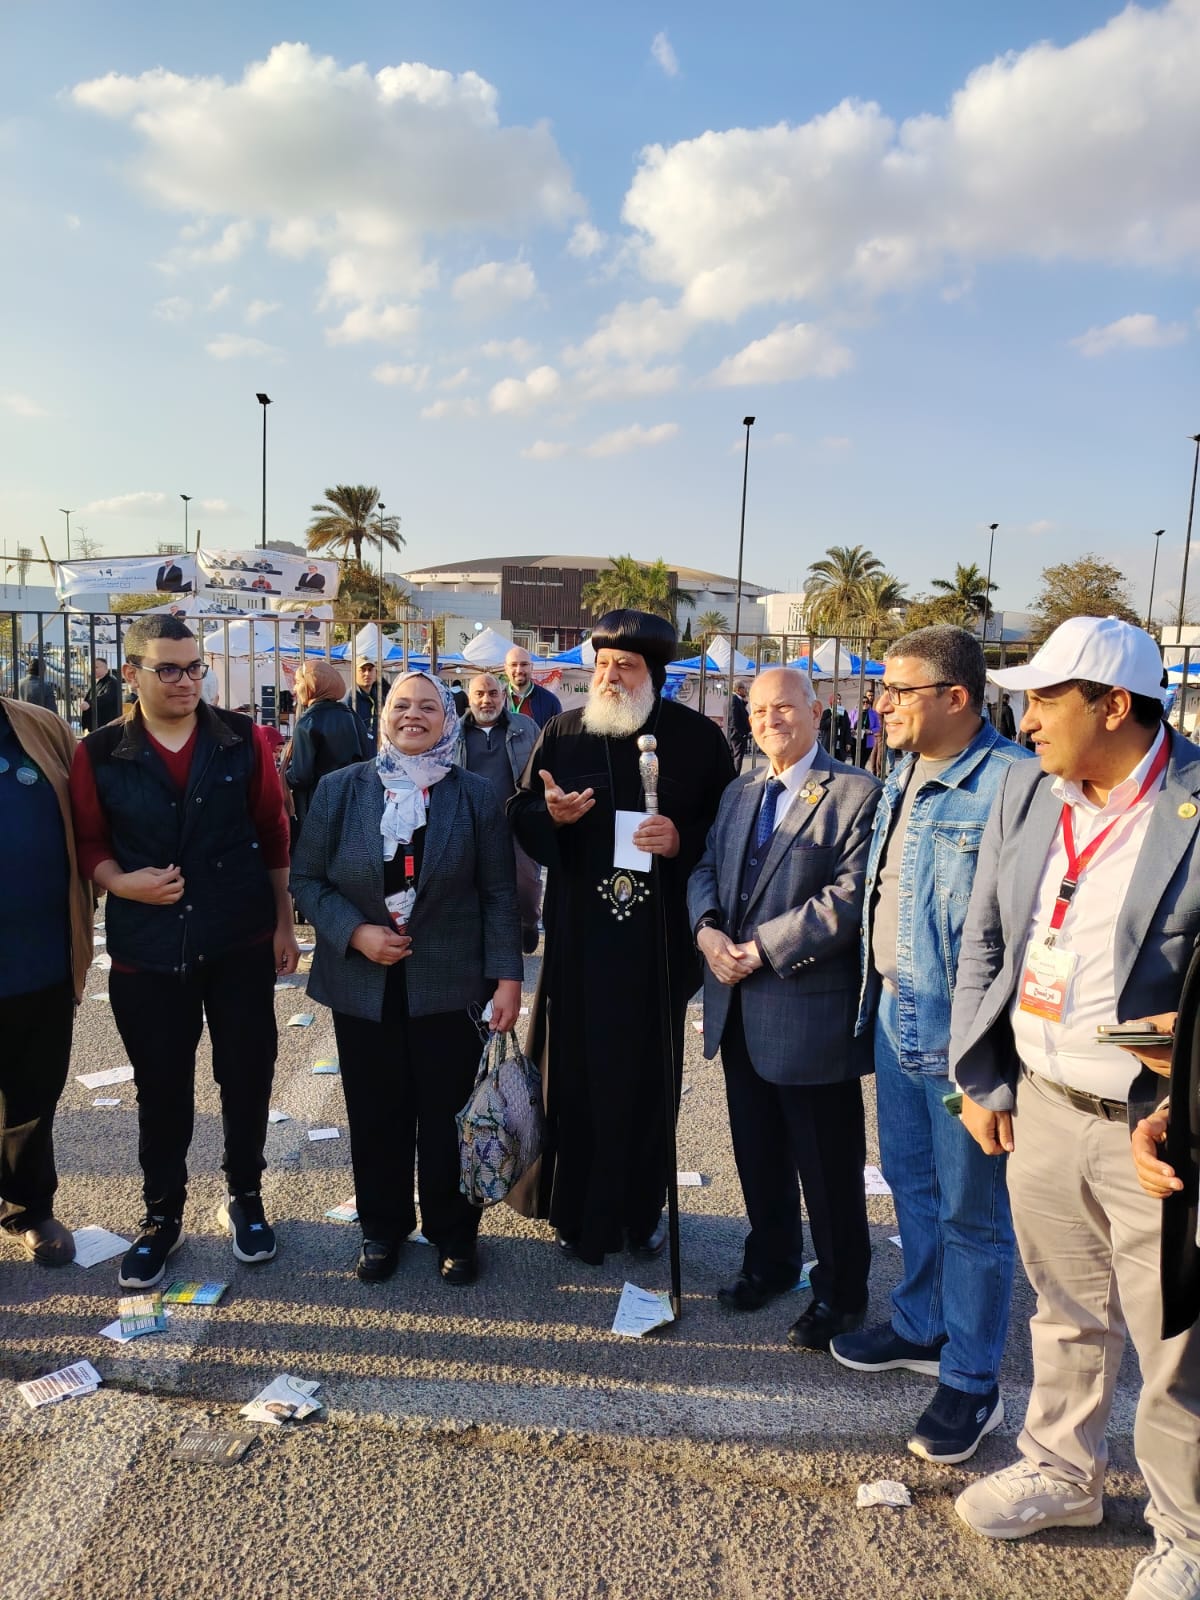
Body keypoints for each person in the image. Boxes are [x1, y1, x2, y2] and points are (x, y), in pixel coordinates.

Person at [948, 616, 1200, 1600]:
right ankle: (1063, 1471)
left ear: (1116, 705)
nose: (1027, 718)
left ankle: (1187, 1533)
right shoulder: (1029, 791)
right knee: (1062, 1310)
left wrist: (1184, 1090)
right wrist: (981, 1077)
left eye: (1048, 698)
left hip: (1155, 1128)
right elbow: (988, 933)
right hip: (1042, 1105)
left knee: (1176, 1342)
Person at [830, 626, 1031, 1463]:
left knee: (973, 1214)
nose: (881, 705)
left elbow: (1019, 935)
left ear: (956, 697)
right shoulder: (904, 770)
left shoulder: (1013, 784)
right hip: (893, 1013)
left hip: (962, 1037)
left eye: (898, 690)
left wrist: (996, 1062)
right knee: (911, 1185)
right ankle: (921, 1324)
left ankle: (973, 1379)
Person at [69, 615, 298, 1289]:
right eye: (167, 668)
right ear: (132, 673)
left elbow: (272, 830)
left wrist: (284, 922)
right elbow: (87, 841)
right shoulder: (100, 753)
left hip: (239, 937)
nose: (185, 681)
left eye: (194, 667)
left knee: (247, 1074)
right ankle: (161, 1218)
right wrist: (120, 882)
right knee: (162, 1088)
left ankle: (246, 1197)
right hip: (148, 951)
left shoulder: (241, 739)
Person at [509, 610, 734, 1264]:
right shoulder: (563, 732)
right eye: (603, 664)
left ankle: (641, 1211)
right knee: (574, 1079)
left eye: (625, 667)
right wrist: (550, 816)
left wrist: (682, 839)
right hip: (581, 941)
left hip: (656, 947)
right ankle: (575, 1211)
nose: (609, 677)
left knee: (646, 1084)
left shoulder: (697, 739)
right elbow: (520, 812)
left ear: (654, 675)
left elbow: (728, 831)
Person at [290, 671, 522, 1287]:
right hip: (362, 983)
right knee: (375, 1112)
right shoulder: (341, 789)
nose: (412, 715)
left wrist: (507, 978)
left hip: (452, 984)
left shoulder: (475, 796)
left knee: (448, 1114)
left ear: (447, 719)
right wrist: (355, 933)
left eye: (427, 707)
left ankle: (454, 1231)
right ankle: (381, 1227)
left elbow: (499, 894)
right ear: (382, 714)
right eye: (401, 705)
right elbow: (306, 879)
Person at [687, 668, 879, 1349]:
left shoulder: (856, 794)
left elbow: (848, 899)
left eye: (784, 707)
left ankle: (841, 1294)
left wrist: (761, 949)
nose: (770, 720)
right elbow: (706, 869)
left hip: (807, 1014)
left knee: (827, 1168)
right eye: (759, 710)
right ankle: (770, 1261)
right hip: (738, 1007)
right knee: (758, 1152)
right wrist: (707, 931)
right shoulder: (741, 792)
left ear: (816, 710)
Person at [0, 696, 93, 1266]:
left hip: (41, 958)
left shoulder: (40, 727)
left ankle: (28, 1207)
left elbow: (91, 816)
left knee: (33, 1092)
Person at [453, 673, 542, 954]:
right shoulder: (452, 733)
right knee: (473, 887)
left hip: (518, 822)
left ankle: (528, 921)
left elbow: (543, 766)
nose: (486, 700)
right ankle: (486, 942)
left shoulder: (526, 727)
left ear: (503, 696)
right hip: (471, 824)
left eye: (492, 693)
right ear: (469, 698)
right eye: (479, 694)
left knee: (527, 886)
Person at [284, 661, 370, 834]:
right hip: (352, 803)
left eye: (298, 682)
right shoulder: (351, 716)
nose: (295, 689)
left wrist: (282, 775)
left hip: (318, 808)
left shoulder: (308, 721)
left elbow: (301, 776)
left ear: (312, 684)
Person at [505, 646, 561, 729]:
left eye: (524, 664)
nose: (519, 670)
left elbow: (558, 733)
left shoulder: (550, 701)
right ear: (506, 669)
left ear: (531, 667)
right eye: (513, 665)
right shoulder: (496, 700)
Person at [346, 659, 382, 745]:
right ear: (354, 673)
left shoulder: (379, 698)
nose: (367, 674)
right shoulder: (349, 699)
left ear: (376, 674)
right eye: (362, 670)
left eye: (370, 670)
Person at [81, 656, 121, 732]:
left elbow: (107, 697)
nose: (93, 670)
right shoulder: (97, 683)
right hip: (95, 726)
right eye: (92, 668)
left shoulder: (112, 682)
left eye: (96, 667)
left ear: (106, 669)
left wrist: (89, 703)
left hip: (106, 725)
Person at [854, 687, 881, 768]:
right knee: (855, 762)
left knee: (863, 761)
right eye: (863, 702)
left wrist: (871, 731)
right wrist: (852, 730)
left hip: (868, 740)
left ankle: (862, 771)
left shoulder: (873, 713)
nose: (865, 704)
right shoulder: (854, 712)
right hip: (855, 740)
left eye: (867, 702)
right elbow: (849, 724)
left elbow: (878, 727)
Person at [728, 681, 751, 774]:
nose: (746, 691)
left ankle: (732, 775)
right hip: (737, 735)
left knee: (734, 756)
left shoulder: (736, 700)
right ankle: (735, 776)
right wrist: (741, 734)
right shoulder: (734, 700)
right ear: (738, 689)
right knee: (737, 757)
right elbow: (734, 719)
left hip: (735, 734)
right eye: (744, 688)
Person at [819, 694, 852, 761]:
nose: (838, 701)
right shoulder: (827, 712)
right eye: (836, 699)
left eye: (839, 699)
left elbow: (847, 728)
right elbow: (821, 726)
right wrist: (831, 718)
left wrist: (848, 742)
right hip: (829, 743)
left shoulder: (844, 712)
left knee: (840, 762)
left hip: (841, 743)